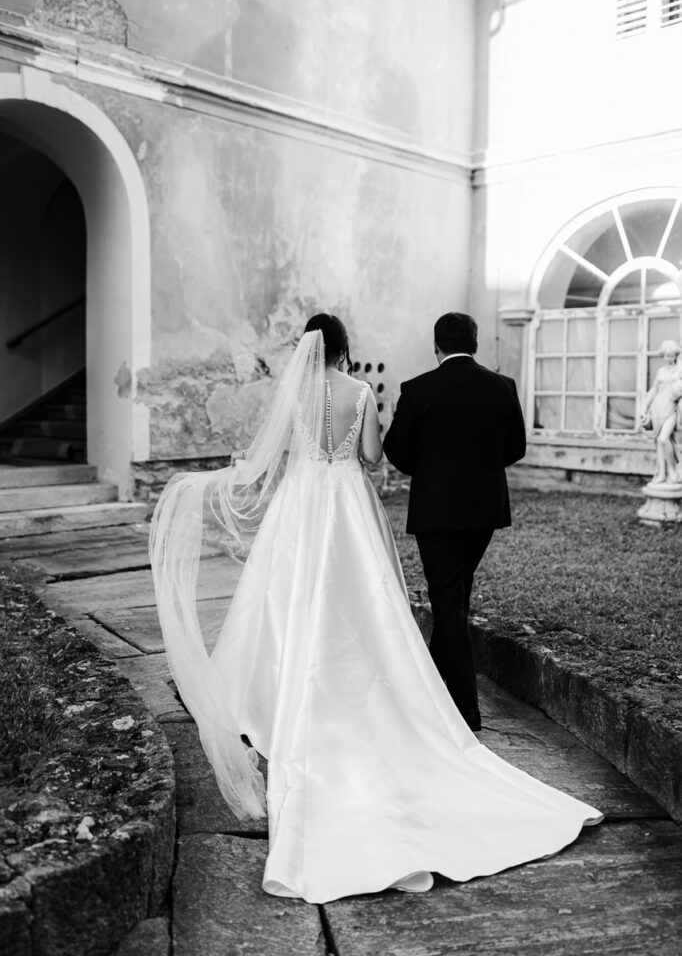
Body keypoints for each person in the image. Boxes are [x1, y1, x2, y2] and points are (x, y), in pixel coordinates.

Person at [150, 312, 601, 905]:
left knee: (282, 598)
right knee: (366, 604)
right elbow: (370, 457)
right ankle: (390, 690)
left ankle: (258, 694)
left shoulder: (295, 394)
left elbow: (283, 453)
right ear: (344, 349)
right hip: (350, 507)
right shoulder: (362, 392)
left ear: (306, 348)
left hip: (301, 505)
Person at [383, 312, 526, 731]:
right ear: (475, 343)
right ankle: (430, 681)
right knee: (455, 598)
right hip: (484, 511)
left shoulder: (418, 389)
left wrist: (430, 471)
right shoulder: (503, 387)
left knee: (449, 602)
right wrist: (480, 469)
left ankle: (466, 710)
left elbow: (396, 450)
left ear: (436, 346)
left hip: (436, 510)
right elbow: (515, 447)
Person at [639, 340, 682, 484]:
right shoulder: (661, 371)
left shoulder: (680, 369)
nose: (669, 358)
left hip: (671, 407)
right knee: (658, 441)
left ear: (676, 355)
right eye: (666, 355)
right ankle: (662, 474)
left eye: (672, 355)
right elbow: (654, 390)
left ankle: (672, 470)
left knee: (664, 438)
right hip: (658, 407)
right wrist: (644, 406)